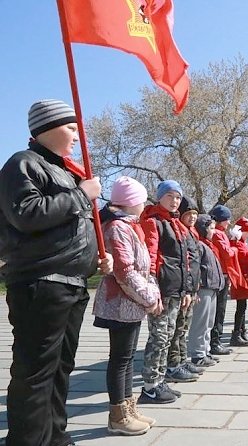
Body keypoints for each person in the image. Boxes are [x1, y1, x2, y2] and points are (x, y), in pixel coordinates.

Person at [0, 99, 113, 446]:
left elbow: (68, 230)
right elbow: (28, 215)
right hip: (41, 282)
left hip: (72, 285)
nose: (77, 135)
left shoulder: (65, 171)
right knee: (35, 371)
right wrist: (81, 195)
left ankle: (54, 436)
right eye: (71, 127)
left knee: (62, 368)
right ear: (47, 128)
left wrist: (97, 259)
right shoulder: (23, 164)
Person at [93, 176, 160, 435]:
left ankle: (128, 408)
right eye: (142, 200)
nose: (144, 205)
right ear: (132, 203)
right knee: (120, 359)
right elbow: (125, 271)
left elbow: (144, 268)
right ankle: (118, 416)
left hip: (132, 303)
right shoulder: (119, 228)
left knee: (127, 357)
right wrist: (150, 298)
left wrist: (152, 293)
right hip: (121, 303)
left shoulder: (131, 226)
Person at [139, 180, 195, 405]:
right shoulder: (154, 221)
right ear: (160, 196)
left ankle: (161, 379)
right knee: (159, 337)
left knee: (169, 335)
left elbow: (186, 261)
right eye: (170, 196)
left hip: (176, 288)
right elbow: (151, 255)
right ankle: (150, 385)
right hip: (162, 287)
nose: (175, 201)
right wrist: (152, 284)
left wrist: (186, 289)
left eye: (178, 197)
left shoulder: (176, 223)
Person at [165, 196, 205, 380]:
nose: (193, 218)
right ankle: (174, 363)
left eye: (195, 214)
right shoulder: (181, 231)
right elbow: (186, 262)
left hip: (191, 287)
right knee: (177, 327)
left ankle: (181, 359)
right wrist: (187, 290)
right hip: (181, 287)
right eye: (189, 214)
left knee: (184, 326)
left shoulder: (192, 232)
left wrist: (194, 289)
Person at [188, 214, 225, 367]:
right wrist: (195, 288)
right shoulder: (199, 245)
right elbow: (195, 268)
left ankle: (205, 350)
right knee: (200, 323)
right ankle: (197, 354)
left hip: (212, 287)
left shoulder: (208, 245)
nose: (213, 231)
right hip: (203, 288)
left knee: (209, 323)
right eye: (211, 228)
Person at [209, 204, 238, 354]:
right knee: (219, 310)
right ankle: (215, 342)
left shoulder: (220, 233)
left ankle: (215, 340)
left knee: (219, 310)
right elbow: (226, 253)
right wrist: (234, 248)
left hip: (223, 273)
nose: (229, 223)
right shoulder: (218, 234)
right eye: (227, 219)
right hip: (222, 274)